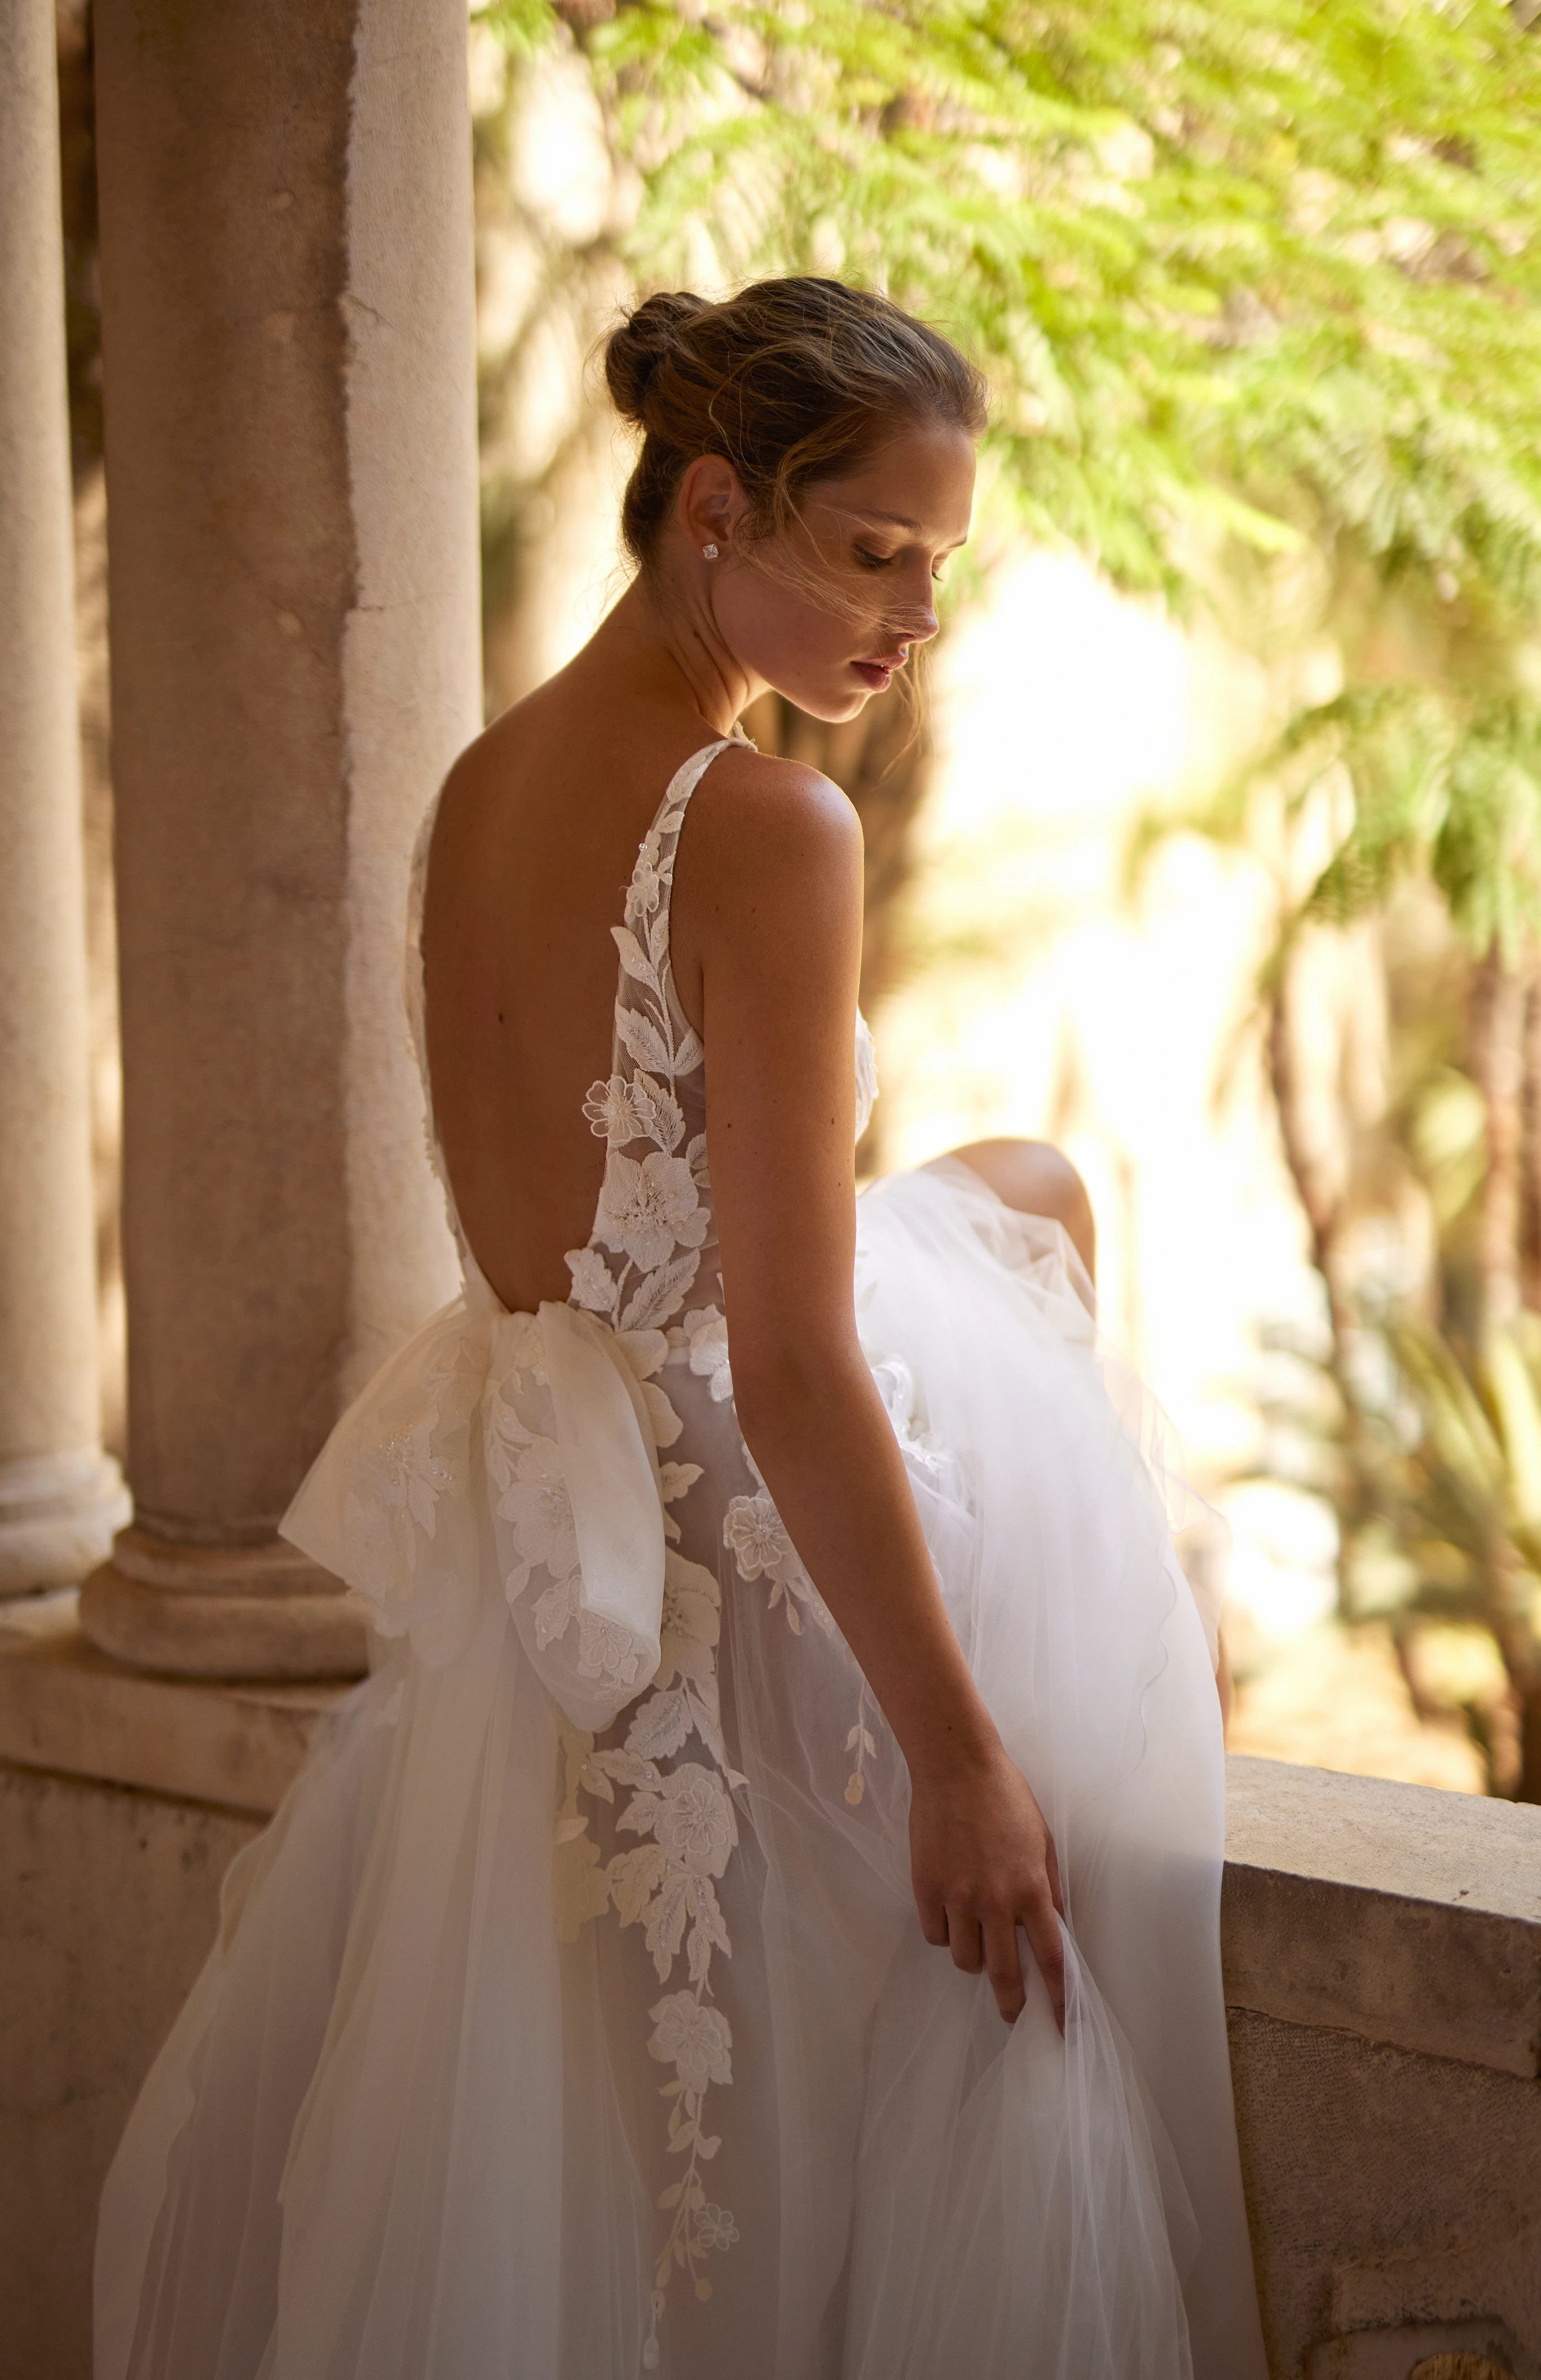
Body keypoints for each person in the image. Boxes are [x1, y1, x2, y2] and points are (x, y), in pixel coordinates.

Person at [95, 276, 1268, 2380]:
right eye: (873, 553)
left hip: (560, 1524)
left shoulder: (476, 783)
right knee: (1043, 1318)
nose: (912, 618)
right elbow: (800, 1361)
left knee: (1021, 1194)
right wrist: (956, 1756)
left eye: (941, 566)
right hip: (725, 1500)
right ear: (713, 503)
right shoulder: (767, 828)